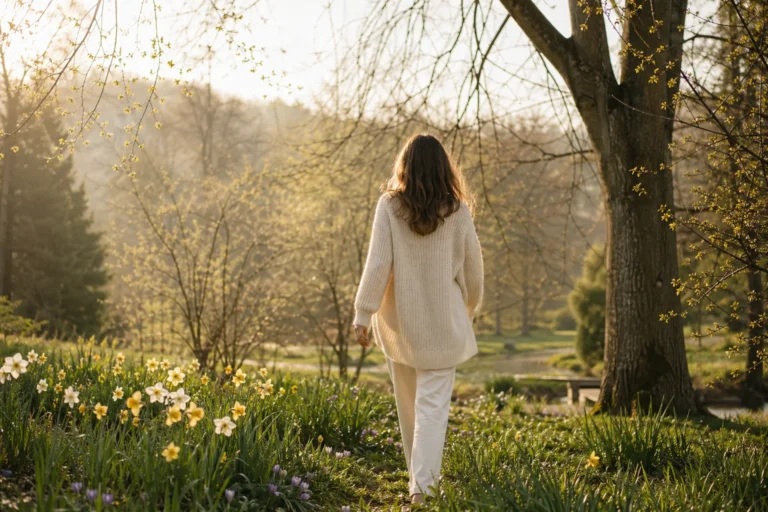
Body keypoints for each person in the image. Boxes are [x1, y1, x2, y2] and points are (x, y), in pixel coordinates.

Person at [353, 133, 484, 506]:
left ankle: (420, 484)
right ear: (445, 169)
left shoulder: (390, 206)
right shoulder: (457, 210)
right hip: (444, 326)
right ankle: (422, 487)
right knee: (431, 409)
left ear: (404, 166)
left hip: (401, 326)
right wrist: (468, 308)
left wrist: (363, 312)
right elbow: (474, 271)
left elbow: (378, 263)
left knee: (409, 406)